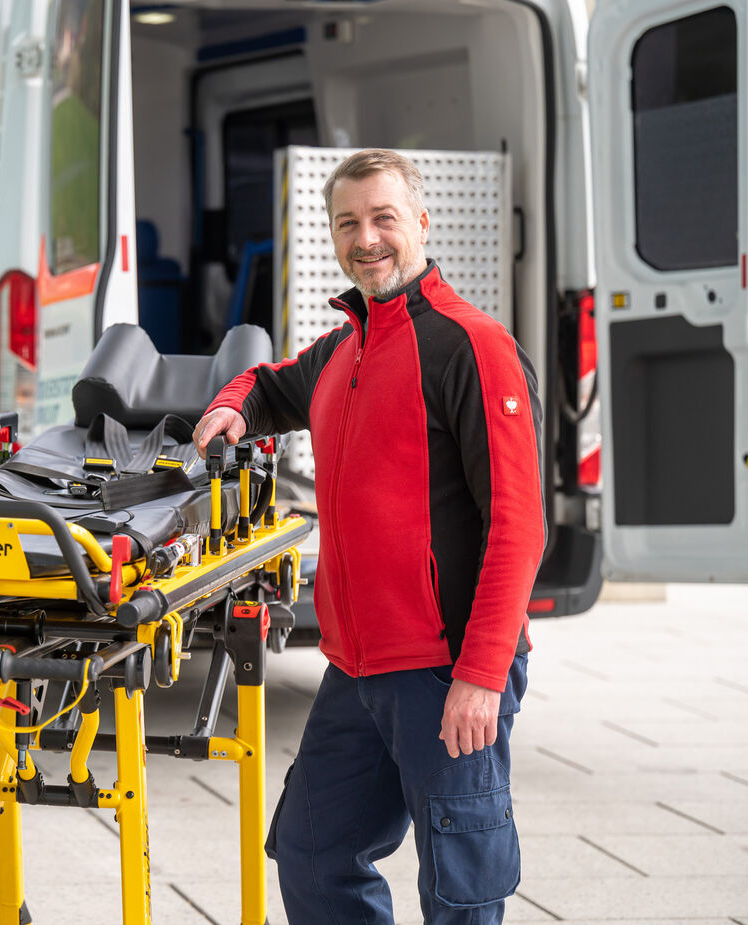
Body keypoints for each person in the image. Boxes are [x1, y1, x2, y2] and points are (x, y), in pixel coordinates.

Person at [194, 149, 545, 923]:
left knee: (459, 888)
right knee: (313, 852)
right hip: (356, 670)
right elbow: (269, 383)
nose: (367, 238)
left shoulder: (470, 346)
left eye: (383, 218)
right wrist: (230, 406)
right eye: (348, 223)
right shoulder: (345, 346)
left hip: (445, 667)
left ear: (420, 222)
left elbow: (518, 526)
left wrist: (481, 674)